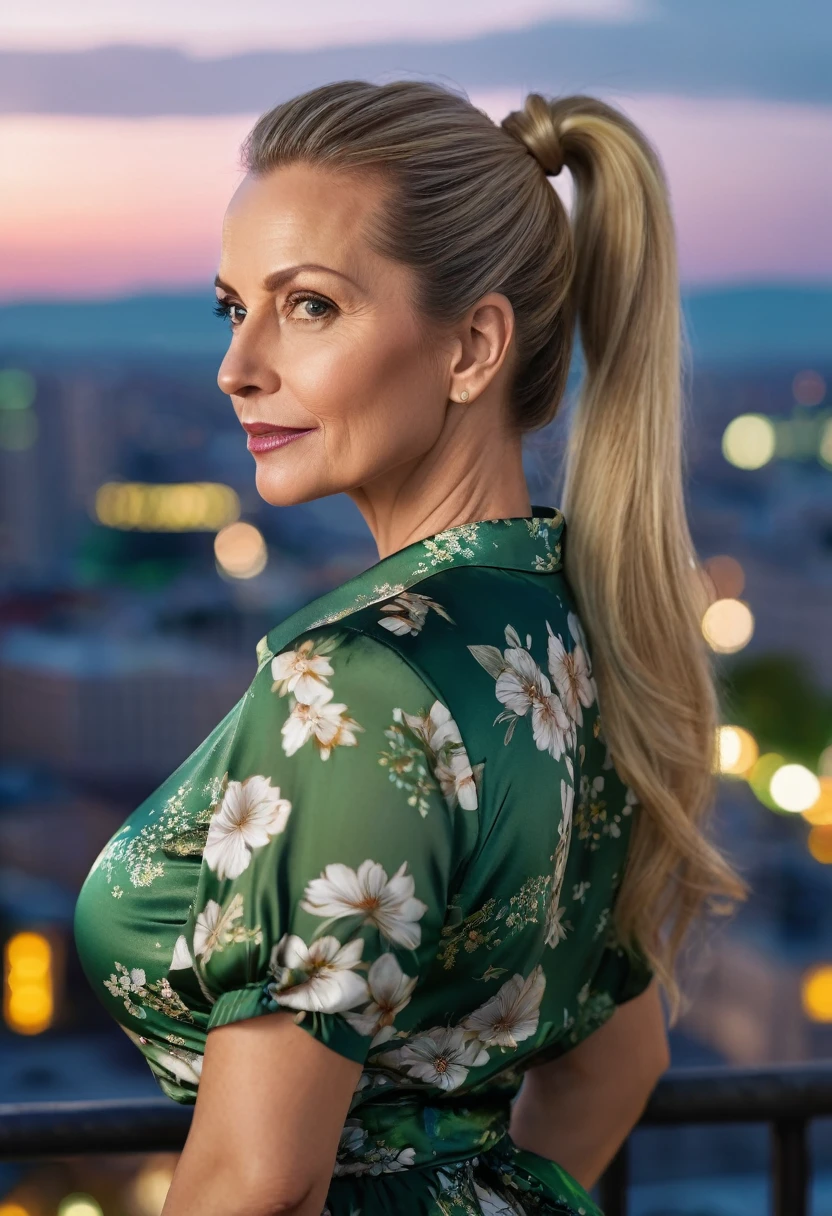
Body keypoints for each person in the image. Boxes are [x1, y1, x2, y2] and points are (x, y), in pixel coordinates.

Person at [74, 80, 746, 1216]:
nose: (237, 367)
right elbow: (613, 1065)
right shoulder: (581, 632)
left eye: (310, 307)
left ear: (474, 346)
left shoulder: (353, 686)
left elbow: (258, 1179)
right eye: (231, 307)